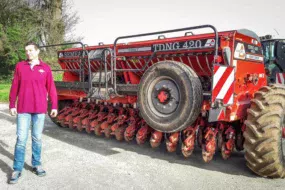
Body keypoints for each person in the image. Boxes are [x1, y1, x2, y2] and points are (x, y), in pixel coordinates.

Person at [8, 41, 58, 184]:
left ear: (37, 51)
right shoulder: (20, 66)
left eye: (30, 50)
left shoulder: (46, 68)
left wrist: (54, 106)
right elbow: (14, 86)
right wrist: (12, 104)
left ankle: (36, 164)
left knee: (37, 139)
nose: (28, 53)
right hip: (23, 109)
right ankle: (17, 169)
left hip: (39, 109)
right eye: (26, 51)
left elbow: (51, 88)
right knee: (21, 140)